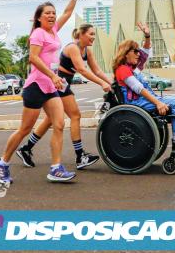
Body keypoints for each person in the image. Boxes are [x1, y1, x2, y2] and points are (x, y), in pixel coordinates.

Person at [0, 0, 80, 184]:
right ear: (39, 18)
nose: (51, 15)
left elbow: (67, 12)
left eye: (53, 13)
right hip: (35, 87)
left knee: (59, 124)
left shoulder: (54, 31)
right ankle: (2, 162)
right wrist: (53, 75)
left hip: (51, 88)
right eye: (47, 13)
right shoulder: (38, 34)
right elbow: (33, 58)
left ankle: (56, 168)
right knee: (25, 129)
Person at [16, 23, 113, 170]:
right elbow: (82, 70)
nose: (93, 37)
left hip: (63, 83)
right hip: (59, 82)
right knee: (75, 115)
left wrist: (111, 82)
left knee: (50, 119)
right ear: (81, 34)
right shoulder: (73, 48)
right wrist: (101, 84)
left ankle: (26, 148)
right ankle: (80, 156)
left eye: (94, 34)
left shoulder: (87, 51)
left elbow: (97, 70)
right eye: (91, 34)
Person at [113, 38, 175, 163]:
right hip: (136, 103)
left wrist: (147, 36)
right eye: (135, 51)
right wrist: (158, 103)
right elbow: (139, 89)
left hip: (142, 101)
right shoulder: (123, 69)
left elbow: (145, 54)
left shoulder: (132, 68)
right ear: (126, 53)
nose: (138, 54)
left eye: (138, 51)